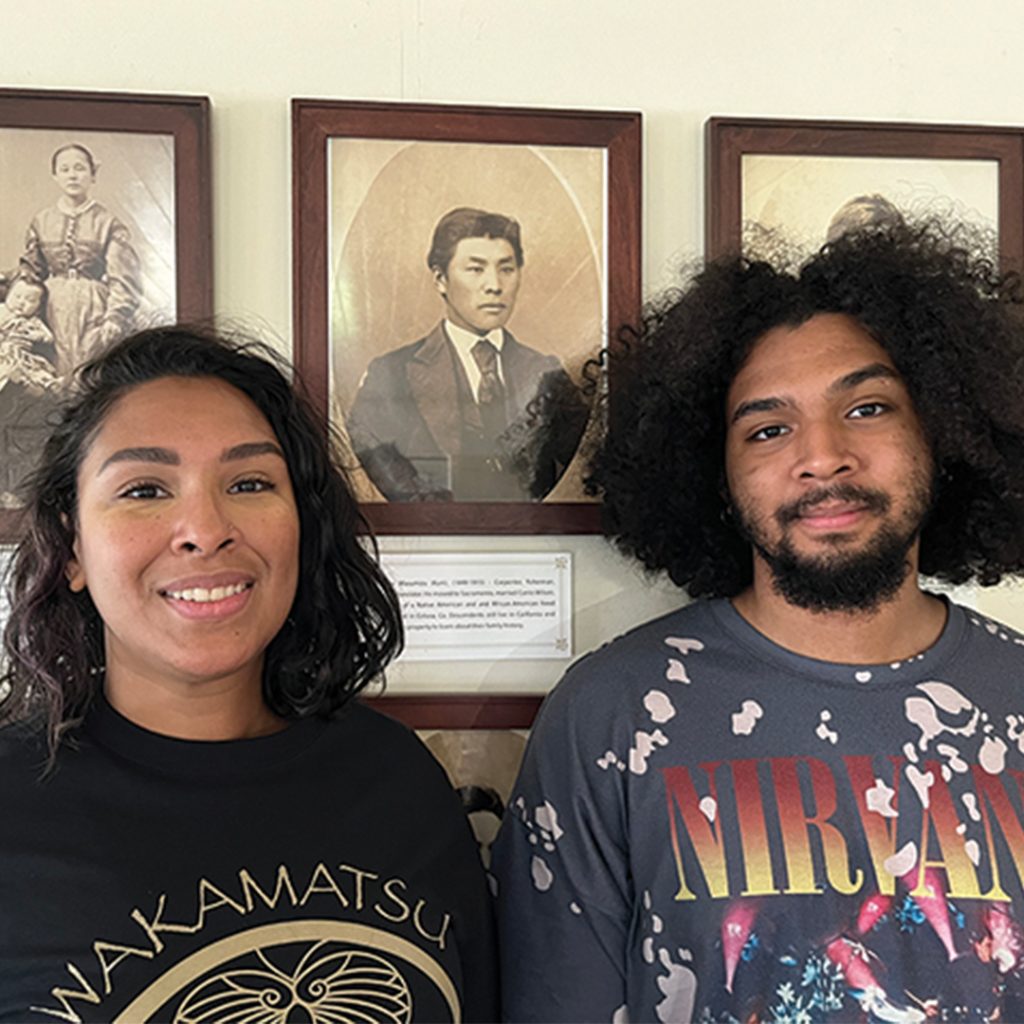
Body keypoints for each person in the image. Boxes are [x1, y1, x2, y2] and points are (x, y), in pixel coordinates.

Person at [491, 220, 1024, 1023]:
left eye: (868, 407)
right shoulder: (612, 713)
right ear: (715, 471)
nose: (822, 456)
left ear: (944, 432)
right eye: (768, 429)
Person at [0, 326, 498, 1022]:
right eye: (145, 489)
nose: (205, 528)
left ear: (303, 524)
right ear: (72, 546)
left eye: (249, 482)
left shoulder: (398, 784)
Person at [346, 206, 587, 502]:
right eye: (475, 269)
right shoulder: (391, 374)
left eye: (507, 269)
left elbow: (584, 475)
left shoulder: (545, 373)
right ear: (440, 279)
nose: (495, 286)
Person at [20, 142, 142, 377]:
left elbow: (124, 279)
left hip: (93, 307)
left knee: (88, 375)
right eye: (64, 169)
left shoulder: (108, 222)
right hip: (50, 307)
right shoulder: (42, 220)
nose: (72, 175)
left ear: (92, 174)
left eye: (79, 168)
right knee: (51, 375)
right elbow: (31, 272)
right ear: (55, 176)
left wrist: (115, 318)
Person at [0, 277, 59, 506]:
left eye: (30, 300)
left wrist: (36, 335)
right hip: (4, 357)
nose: (21, 304)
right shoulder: (2, 312)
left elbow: (47, 337)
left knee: (34, 381)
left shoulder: (33, 323)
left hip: (22, 361)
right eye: (17, 297)